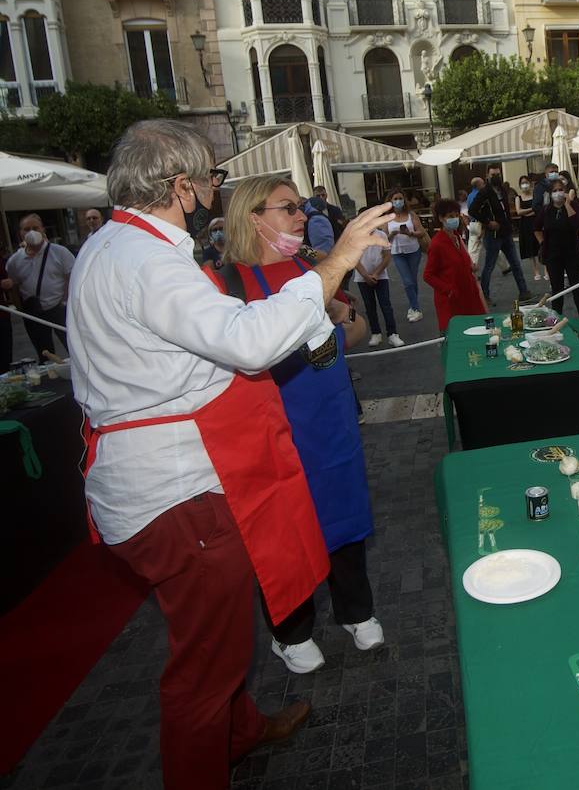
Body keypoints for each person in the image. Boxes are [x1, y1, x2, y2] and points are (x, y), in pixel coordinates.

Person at [66, 119, 395, 787]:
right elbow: (247, 343)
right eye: (210, 179)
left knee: (218, 637)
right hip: (176, 495)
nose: (213, 192)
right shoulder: (147, 261)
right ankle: (207, 757)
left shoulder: (110, 246)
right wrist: (336, 262)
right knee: (203, 669)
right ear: (182, 186)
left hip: (158, 484)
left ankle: (240, 733)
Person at [208, 176, 383, 675]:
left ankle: (357, 611)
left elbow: (359, 328)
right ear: (253, 217)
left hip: (332, 421)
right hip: (274, 430)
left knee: (345, 517)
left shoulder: (312, 266)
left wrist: (340, 335)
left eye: (301, 206)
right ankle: (292, 631)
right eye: (288, 208)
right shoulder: (227, 283)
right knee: (283, 528)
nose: (302, 216)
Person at [3, 213, 74, 356]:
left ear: (43, 230)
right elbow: (14, 286)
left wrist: (65, 301)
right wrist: (21, 309)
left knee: (72, 347)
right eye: (26, 229)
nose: (31, 232)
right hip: (33, 312)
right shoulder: (15, 261)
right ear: (20, 233)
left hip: (59, 308)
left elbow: (71, 278)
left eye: (35, 228)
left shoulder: (60, 252)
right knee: (45, 353)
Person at [424, 197, 489, 331]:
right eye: (450, 216)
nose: (454, 219)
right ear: (441, 218)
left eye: (456, 215)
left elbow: (461, 261)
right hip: (451, 300)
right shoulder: (437, 244)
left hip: (467, 294)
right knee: (456, 335)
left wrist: (471, 266)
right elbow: (428, 275)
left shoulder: (457, 237)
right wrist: (448, 290)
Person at [471, 165, 532, 304]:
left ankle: (524, 292)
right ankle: (484, 296)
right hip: (493, 236)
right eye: (493, 175)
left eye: (498, 174)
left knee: (515, 264)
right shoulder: (484, 192)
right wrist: (488, 222)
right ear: (487, 175)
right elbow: (473, 210)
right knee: (489, 266)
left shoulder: (502, 190)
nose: (496, 177)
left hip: (506, 232)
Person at [535, 176, 579, 319]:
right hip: (553, 256)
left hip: (572, 254)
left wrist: (567, 203)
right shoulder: (546, 210)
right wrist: (542, 242)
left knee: (577, 287)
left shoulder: (573, 206)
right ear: (550, 193)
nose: (558, 193)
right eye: (555, 190)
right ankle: (556, 319)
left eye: (561, 190)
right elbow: (536, 228)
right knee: (557, 290)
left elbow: (578, 224)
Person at [355, 222, 403, 348]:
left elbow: (387, 256)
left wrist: (376, 273)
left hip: (380, 276)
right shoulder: (356, 236)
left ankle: (392, 334)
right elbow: (354, 258)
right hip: (362, 278)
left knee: (386, 305)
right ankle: (376, 333)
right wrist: (365, 275)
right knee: (369, 306)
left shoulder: (381, 235)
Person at [386, 187, 429, 322]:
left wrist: (410, 233)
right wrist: (391, 235)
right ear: (390, 201)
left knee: (413, 280)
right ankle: (416, 309)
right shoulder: (387, 218)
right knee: (407, 281)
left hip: (413, 251)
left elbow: (421, 232)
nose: (398, 201)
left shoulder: (411, 215)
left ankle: (413, 306)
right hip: (397, 252)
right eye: (395, 199)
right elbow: (383, 238)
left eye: (400, 198)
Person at [514, 174, 543, 282]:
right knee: (530, 247)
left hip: (536, 221)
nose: (525, 185)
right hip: (525, 224)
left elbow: (539, 207)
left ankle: (546, 269)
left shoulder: (535, 195)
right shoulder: (518, 198)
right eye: (522, 183)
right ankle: (535, 270)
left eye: (526, 182)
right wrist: (532, 209)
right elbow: (519, 211)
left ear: (530, 183)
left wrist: (527, 211)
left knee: (541, 244)